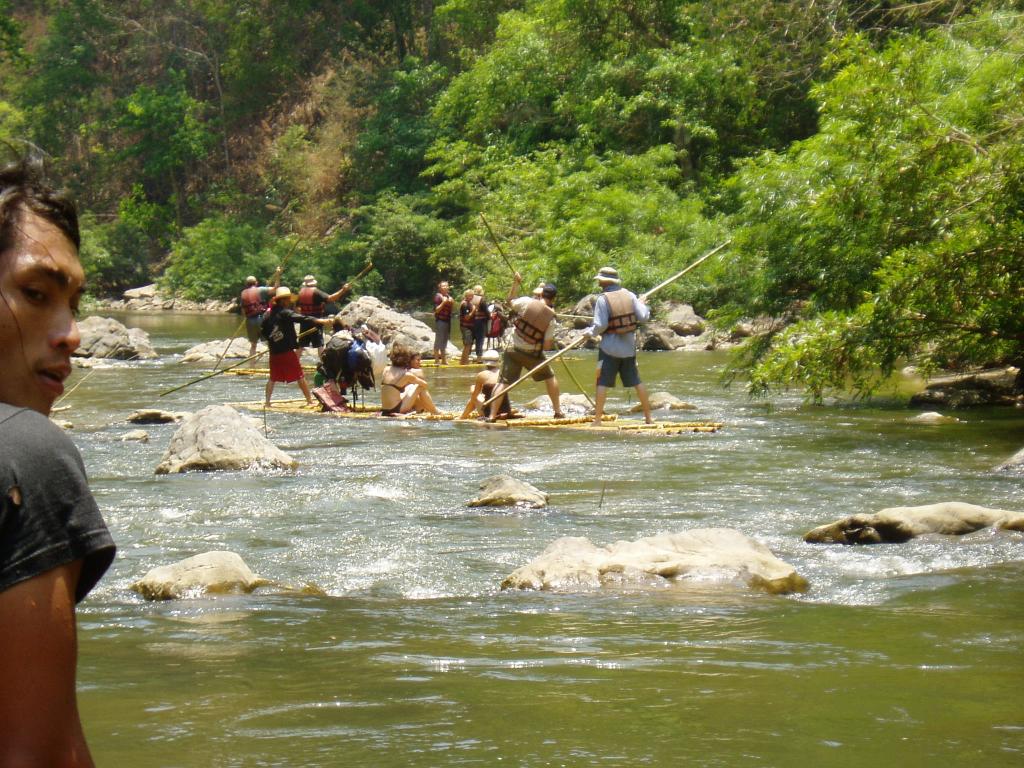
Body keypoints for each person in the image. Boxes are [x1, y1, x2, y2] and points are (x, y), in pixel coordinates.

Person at [0, 156, 116, 765]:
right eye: (35, 293)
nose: (71, 332)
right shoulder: (26, 454)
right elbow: (40, 755)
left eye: (72, 301)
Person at [486, 272, 564, 420]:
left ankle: (491, 415)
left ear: (541, 294)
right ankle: (558, 412)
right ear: (554, 298)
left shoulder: (526, 301)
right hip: (532, 354)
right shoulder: (551, 319)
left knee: (503, 382)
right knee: (550, 376)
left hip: (512, 348)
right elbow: (547, 346)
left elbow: (509, 300)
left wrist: (515, 282)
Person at [585, 266, 653, 425]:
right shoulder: (630, 295)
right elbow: (643, 317)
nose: (599, 283)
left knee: (602, 382)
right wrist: (642, 304)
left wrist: (588, 333)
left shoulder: (603, 299)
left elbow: (600, 325)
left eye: (600, 280)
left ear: (603, 281)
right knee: (637, 381)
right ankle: (649, 418)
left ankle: (597, 421)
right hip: (629, 348)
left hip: (609, 348)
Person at [261, 285, 334, 406]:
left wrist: (273, 340)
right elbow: (302, 318)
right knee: (300, 375)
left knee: (272, 377)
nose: (289, 301)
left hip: (274, 351)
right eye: (288, 299)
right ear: (283, 300)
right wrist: (321, 321)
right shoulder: (285, 312)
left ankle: (267, 402)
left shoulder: (268, 314)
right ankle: (309, 401)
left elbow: (263, 331)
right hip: (286, 351)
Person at [296, 274, 351, 355]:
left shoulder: (300, 293)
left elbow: (297, 308)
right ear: (314, 283)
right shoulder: (316, 292)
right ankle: (323, 364)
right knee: (319, 345)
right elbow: (331, 298)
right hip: (317, 322)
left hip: (304, 321)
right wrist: (343, 290)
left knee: (301, 345)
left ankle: (294, 364)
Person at [380, 344, 439, 416]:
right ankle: (435, 411)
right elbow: (425, 385)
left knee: (411, 386)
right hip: (397, 409)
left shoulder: (386, 369)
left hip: (385, 409)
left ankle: (419, 409)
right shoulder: (406, 374)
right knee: (420, 387)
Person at [459, 349, 512, 419]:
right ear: (498, 361)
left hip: (489, 412)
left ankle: (463, 416)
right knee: (477, 395)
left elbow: (474, 397)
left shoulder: (481, 375)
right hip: (506, 410)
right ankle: (464, 415)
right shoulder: (505, 374)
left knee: (473, 391)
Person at [240, 271, 280, 356]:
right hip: (262, 319)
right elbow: (276, 289)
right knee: (270, 342)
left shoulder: (243, 293)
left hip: (250, 320)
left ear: (246, 284)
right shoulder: (261, 289)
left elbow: (243, 311)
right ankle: (272, 363)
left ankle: (252, 366)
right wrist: (278, 275)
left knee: (253, 345)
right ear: (256, 283)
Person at [432, 280, 454, 365]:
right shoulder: (438, 297)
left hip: (447, 321)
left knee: (445, 340)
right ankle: (437, 360)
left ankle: (444, 360)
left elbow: (451, 310)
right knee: (439, 340)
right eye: (443, 286)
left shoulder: (449, 297)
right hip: (440, 321)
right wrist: (444, 302)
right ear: (440, 288)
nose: (445, 287)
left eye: (446, 286)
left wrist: (452, 303)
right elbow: (436, 310)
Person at [458, 288, 476, 365]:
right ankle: (463, 361)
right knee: (467, 344)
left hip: (469, 326)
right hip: (466, 327)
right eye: (470, 296)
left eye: (472, 296)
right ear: (466, 296)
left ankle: (464, 360)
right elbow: (467, 317)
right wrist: (474, 310)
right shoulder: (465, 304)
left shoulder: (469, 303)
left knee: (468, 344)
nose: (471, 297)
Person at [471, 284, 489, 361]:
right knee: (480, 339)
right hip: (480, 322)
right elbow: (486, 311)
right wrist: (490, 317)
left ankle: (467, 355)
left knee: (471, 339)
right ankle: (479, 357)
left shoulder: (470, 298)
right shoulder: (482, 299)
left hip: (471, 321)